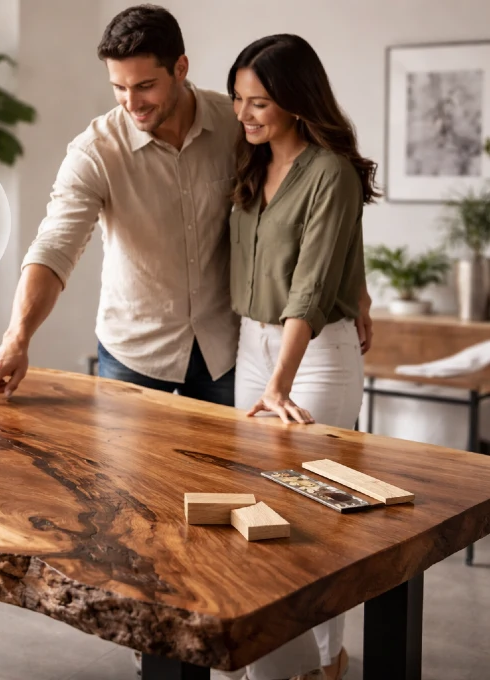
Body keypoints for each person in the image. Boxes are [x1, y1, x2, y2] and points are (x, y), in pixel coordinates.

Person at [0, 5, 372, 408]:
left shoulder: (236, 125)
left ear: (180, 68)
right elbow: (55, 246)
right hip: (136, 353)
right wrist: (16, 338)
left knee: (230, 453)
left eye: (145, 86)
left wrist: (355, 288)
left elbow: (319, 205)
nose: (131, 102)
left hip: (224, 350)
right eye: (119, 87)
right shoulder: (95, 152)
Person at [222, 33, 379, 680]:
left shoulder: (330, 171)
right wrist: (362, 286)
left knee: (313, 513)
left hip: (315, 356)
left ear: (294, 100)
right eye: (238, 99)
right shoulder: (249, 164)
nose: (244, 113)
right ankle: (279, 658)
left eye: (259, 102)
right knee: (259, 507)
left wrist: (281, 383)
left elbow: (312, 284)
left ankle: (324, 659)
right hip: (252, 345)